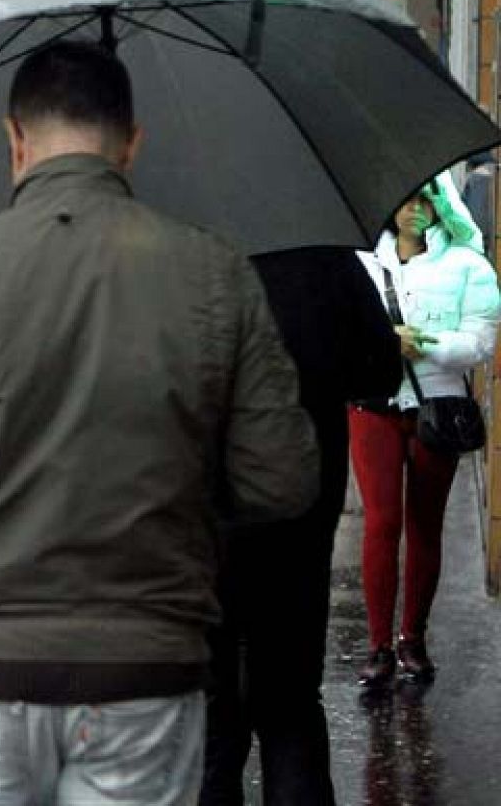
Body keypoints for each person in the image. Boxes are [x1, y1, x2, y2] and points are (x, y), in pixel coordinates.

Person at [0, 40, 318, 804]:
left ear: (14, 140)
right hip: (148, 662)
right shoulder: (214, 274)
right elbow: (285, 478)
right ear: (132, 145)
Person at [200, 248, 401, 806]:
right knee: (289, 703)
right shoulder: (327, 261)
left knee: (211, 709)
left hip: (202, 521)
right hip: (301, 510)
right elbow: (381, 368)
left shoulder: (171, 261)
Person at [350, 176, 500, 687]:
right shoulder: (362, 262)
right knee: (381, 523)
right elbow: (342, 325)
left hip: (439, 406)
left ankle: (412, 637)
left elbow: (480, 342)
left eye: (426, 200)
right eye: (406, 199)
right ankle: (377, 647)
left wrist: (426, 345)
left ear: (441, 207)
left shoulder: (468, 265)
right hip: (374, 404)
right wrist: (381, 341)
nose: (414, 209)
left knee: (424, 525)